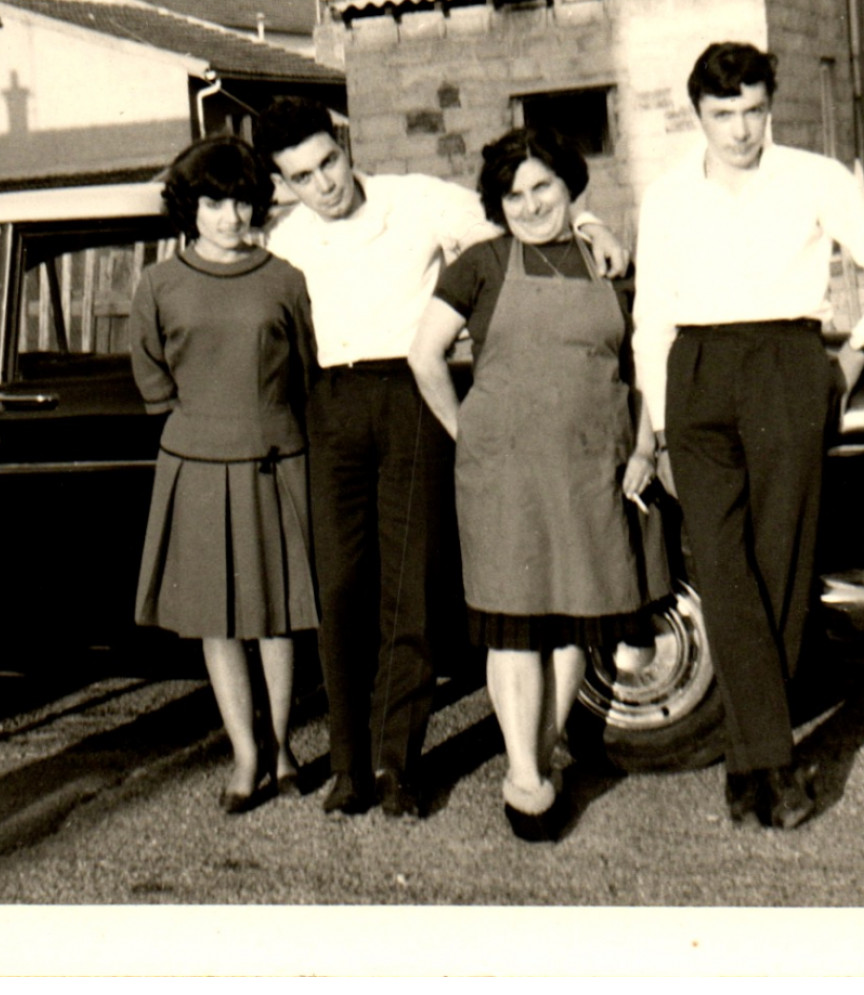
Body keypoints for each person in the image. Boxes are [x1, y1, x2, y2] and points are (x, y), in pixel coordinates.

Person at [255, 97, 630, 819]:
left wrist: (591, 221)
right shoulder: (287, 242)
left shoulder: (416, 199)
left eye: (328, 162)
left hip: (410, 398)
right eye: (301, 177)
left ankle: (398, 763)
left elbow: (518, 216)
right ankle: (347, 767)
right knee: (338, 590)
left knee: (410, 587)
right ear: (284, 184)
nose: (324, 184)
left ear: (344, 143)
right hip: (329, 405)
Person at [632, 42, 864, 830]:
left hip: (786, 366)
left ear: (771, 105)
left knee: (783, 573)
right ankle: (767, 759)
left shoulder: (813, 178)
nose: (738, 129)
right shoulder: (664, 197)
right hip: (694, 372)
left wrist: (855, 350)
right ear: (696, 114)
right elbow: (649, 317)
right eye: (722, 114)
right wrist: (658, 423)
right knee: (723, 573)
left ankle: (751, 758)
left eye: (752, 110)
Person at [407, 128, 663, 842]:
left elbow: (644, 368)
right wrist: (467, 430)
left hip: (591, 466)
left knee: (572, 619)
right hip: (506, 472)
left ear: (569, 185)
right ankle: (524, 772)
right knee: (516, 625)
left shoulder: (610, 260)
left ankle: (540, 749)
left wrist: (643, 444)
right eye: (512, 195)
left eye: (542, 187)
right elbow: (424, 355)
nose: (528, 205)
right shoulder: (480, 266)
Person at [131, 135, 319, 814]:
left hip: (274, 457)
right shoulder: (157, 285)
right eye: (213, 202)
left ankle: (284, 744)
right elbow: (151, 373)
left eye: (241, 201)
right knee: (218, 620)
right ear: (191, 206)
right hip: (198, 467)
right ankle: (245, 752)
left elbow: (305, 371)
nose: (230, 217)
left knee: (276, 616)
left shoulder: (284, 280)